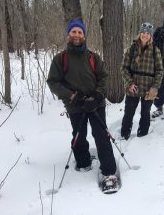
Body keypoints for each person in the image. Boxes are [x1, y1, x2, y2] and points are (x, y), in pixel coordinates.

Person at [47, 18, 118, 192]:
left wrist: (97, 95)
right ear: (69, 34)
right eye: (74, 32)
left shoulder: (93, 57)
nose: (77, 35)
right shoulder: (60, 58)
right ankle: (83, 162)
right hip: (75, 105)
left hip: (95, 103)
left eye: (80, 32)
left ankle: (108, 171)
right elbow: (53, 82)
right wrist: (72, 96)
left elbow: (104, 78)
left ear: (84, 35)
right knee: (79, 135)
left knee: (101, 135)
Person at [120, 22, 163, 140]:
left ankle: (143, 135)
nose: (145, 35)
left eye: (148, 33)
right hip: (133, 87)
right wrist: (129, 83)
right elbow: (124, 68)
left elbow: (160, 71)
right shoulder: (132, 49)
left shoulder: (155, 50)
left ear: (151, 35)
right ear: (140, 34)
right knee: (128, 113)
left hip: (149, 89)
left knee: (145, 113)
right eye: (143, 32)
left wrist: (155, 87)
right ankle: (124, 135)